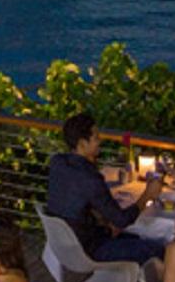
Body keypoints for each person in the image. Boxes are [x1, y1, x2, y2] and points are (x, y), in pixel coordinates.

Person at [45, 112, 167, 264]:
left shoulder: (58, 162)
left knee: (137, 238)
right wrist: (148, 195)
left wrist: (103, 223)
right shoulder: (90, 178)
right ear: (83, 143)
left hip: (64, 243)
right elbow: (121, 220)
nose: (100, 141)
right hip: (87, 250)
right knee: (158, 249)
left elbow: (73, 199)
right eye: (96, 138)